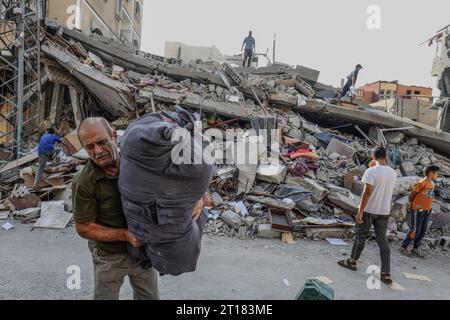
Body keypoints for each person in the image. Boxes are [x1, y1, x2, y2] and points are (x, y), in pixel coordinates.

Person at [71, 118, 160, 300]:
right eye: (90, 147)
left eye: (102, 142)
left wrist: (198, 199)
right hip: (109, 256)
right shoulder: (84, 182)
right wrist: (125, 235)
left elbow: (174, 181)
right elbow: (84, 227)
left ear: (113, 136)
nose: (97, 151)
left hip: (144, 252)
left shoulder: (138, 163)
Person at [338, 147, 397, 285]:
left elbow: (367, 193)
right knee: (382, 240)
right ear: (385, 156)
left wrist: (360, 211)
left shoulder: (371, 171)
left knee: (361, 235)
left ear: (373, 156)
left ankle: (352, 261)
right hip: (384, 211)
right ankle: (385, 273)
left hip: (369, 209)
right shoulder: (393, 172)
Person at [399, 165, 440, 258]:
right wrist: (411, 203)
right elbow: (412, 194)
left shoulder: (431, 184)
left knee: (422, 230)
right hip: (418, 210)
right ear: (430, 173)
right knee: (415, 230)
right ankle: (403, 247)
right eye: (436, 173)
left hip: (427, 211)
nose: (437, 175)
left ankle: (415, 248)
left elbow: (428, 197)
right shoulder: (422, 183)